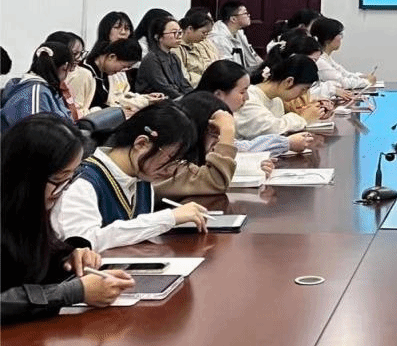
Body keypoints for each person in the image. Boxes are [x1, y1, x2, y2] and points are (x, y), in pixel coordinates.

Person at [2, 114, 135, 323]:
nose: (63, 190)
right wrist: (74, 292)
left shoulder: (26, 209)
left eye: (70, 178)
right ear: (26, 177)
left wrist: (67, 257)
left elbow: (26, 262)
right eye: (58, 180)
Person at [52, 102, 211, 252]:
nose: (171, 171)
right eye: (171, 159)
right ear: (141, 144)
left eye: (179, 163)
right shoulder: (83, 183)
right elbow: (82, 243)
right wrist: (167, 218)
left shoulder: (142, 179)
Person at [155, 92, 271, 198]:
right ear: (195, 129)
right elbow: (216, 181)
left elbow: (205, 173)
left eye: (222, 133)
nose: (221, 139)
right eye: (215, 131)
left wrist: (253, 170)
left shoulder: (192, 162)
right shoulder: (166, 167)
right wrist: (227, 131)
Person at [195, 60, 315, 155]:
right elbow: (230, 152)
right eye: (242, 92)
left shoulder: (276, 100)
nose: (246, 98)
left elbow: (240, 146)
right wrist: (287, 142)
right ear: (218, 95)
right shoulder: (203, 122)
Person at [234, 55, 324, 139]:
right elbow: (271, 130)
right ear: (289, 81)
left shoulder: (277, 100)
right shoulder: (248, 98)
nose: (303, 94)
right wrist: (303, 118)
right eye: (303, 89)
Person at [1, 42, 75, 132]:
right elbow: (36, 134)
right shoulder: (35, 93)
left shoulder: (42, 90)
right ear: (65, 66)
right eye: (72, 67)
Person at [83, 38, 158, 113]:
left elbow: (120, 97)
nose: (124, 70)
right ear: (112, 57)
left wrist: (146, 98)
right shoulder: (85, 73)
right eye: (124, 66)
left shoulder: (107, 73)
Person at [310, 17, 376, 89]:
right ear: (328, 38)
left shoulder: (326, 57)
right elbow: (342, 83)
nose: (341, 38)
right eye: (339, 34)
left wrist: (362, 76)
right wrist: (367, 82)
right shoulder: (319, 60)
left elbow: (344, 74)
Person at [135, 15, 192, 99]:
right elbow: (163, 87)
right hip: (158, 101)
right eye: (174, 33)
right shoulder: (152, 59)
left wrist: (195, 95)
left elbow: (183, 84)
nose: (179, 36)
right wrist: (186, 99)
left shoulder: (174, 57)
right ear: (158, 36)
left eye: (180, 32)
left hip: (175, 99)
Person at [46, 31, 90, 120]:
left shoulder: (66, 86)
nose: (79, 59)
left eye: (81, 53)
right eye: (74, 54)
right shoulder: (41, 88)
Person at [208, 1, 262, 71]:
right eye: (245, 13)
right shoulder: (218, 38)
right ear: (233, 19)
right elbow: (226, 68)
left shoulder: (239, 32)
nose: (249, 15)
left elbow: (253, 57)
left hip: (242, 73)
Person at [172, 10, 219, 87]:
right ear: (190, 29)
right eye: (203, 33)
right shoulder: (176, 48)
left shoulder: (197, 44)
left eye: (207, 34)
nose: (205, 37)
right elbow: (183, 76)